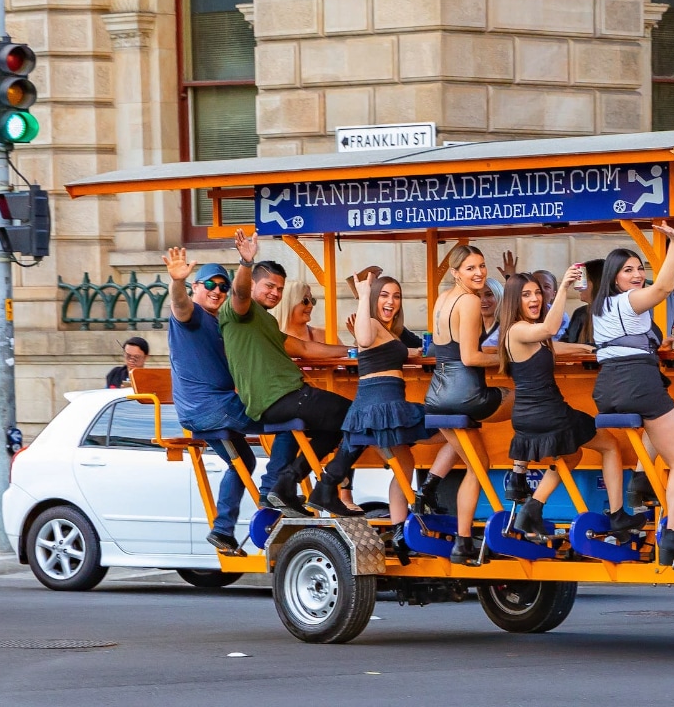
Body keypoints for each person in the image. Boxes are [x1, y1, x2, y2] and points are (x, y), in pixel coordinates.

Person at [217, 229, 364, 519]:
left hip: (285, 396)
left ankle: (287, 484)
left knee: (333, 427)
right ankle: (325, 488)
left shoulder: (265, 321)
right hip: (281, 396)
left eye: (279, 289)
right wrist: (246, 263)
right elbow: (240, 293)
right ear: (255, 284)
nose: (274, 292)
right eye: (269, 286)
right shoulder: (240, 311)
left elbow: (305, 347)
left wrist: (354, 350)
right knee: (361, 417)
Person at [499, 269, 643, 539]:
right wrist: (564, 287)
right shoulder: (519, 329)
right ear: (512, 301)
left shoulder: (525, 332)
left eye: (537, 294)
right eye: (526, 295)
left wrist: (588, 349)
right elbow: (550, 330)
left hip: (535, 413)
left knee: (572, 455)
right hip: (549, 413)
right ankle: (617, 515)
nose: (535, 300)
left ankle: (532, 510)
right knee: (610, 445)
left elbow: (552, 345)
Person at [161, 250, 284, 553]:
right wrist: (177, 281)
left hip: (215, 406)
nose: (217, 291)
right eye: (210, 285)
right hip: (211, 409)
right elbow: (179, 305)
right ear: (196, 287)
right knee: (288, 420)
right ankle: (271, 494)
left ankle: (222, 531)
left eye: (224, 286)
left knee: (244, 461)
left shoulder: (221, 322)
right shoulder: (191, 316)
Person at [590, 226, 674, 567]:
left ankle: (640, 479)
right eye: (628, 270)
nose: (637, 275)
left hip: (607, 388)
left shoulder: (600, 306)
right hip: (637, 382)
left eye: (639, 268)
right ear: (615, 278)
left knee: (658, 422)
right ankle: (673, 537)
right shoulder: (630, 301)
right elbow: (664, 287)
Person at [423, 245, 515, 566]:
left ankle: (461, 540)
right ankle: (522, 471)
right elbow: (471, 357)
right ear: (455, 273)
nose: (479, 273)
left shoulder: (442, 300)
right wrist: (506, 355)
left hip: (437, 394)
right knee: (524, 400)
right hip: (465, 393)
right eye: (470, 268)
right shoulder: (471, 301)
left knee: (476, 464)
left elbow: (440, 350)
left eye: (481, 266)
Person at [343, 272, 437, 564]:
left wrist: (415, 351)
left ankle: (399, 529)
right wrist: (362, 293)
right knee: (447, 428)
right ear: (373, 300)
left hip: (391, 403)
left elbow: (396, 348)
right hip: (380, 404)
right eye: (384, 295)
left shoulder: (390, 330)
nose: (391, 301)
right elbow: (364, 338)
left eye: (396, 296)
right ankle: (426, 493)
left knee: (405, 463)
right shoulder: (369, 322)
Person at [563, 259, 606, 345]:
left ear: (597, 282)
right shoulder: (580, 313)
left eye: (582, 279)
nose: (578, 285)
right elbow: (565, 343)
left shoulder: (616, 312)